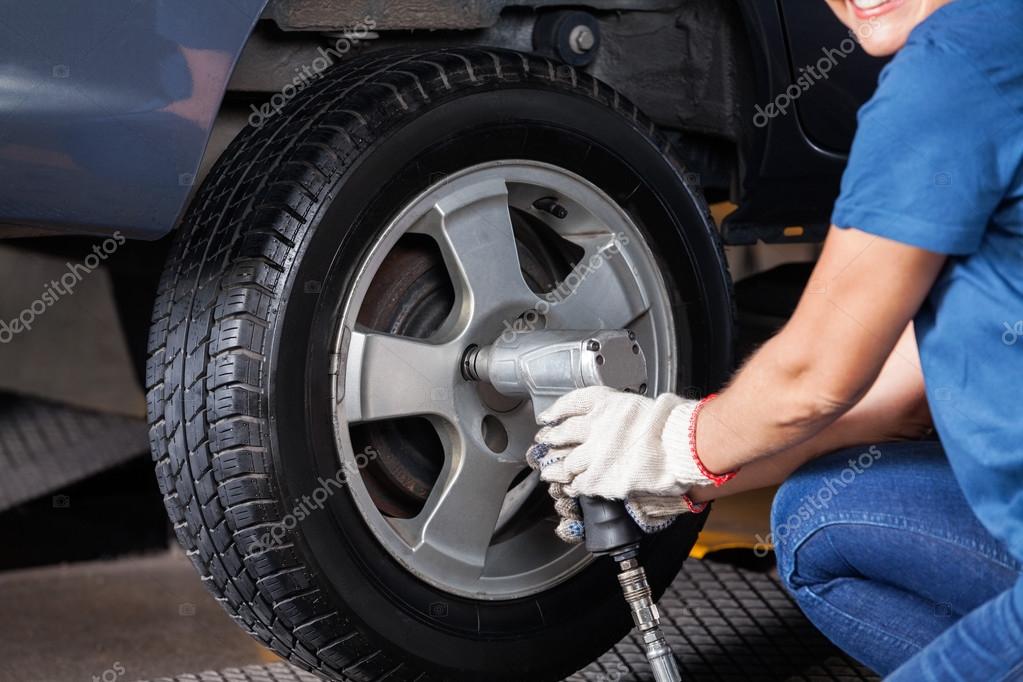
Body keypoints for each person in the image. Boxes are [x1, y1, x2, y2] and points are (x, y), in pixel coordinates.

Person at [526, 0, 1023, 678]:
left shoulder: (951, 68)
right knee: (831, 517)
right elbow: (899, 390)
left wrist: (662, 442)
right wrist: (681, 482)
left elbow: (813, 376)